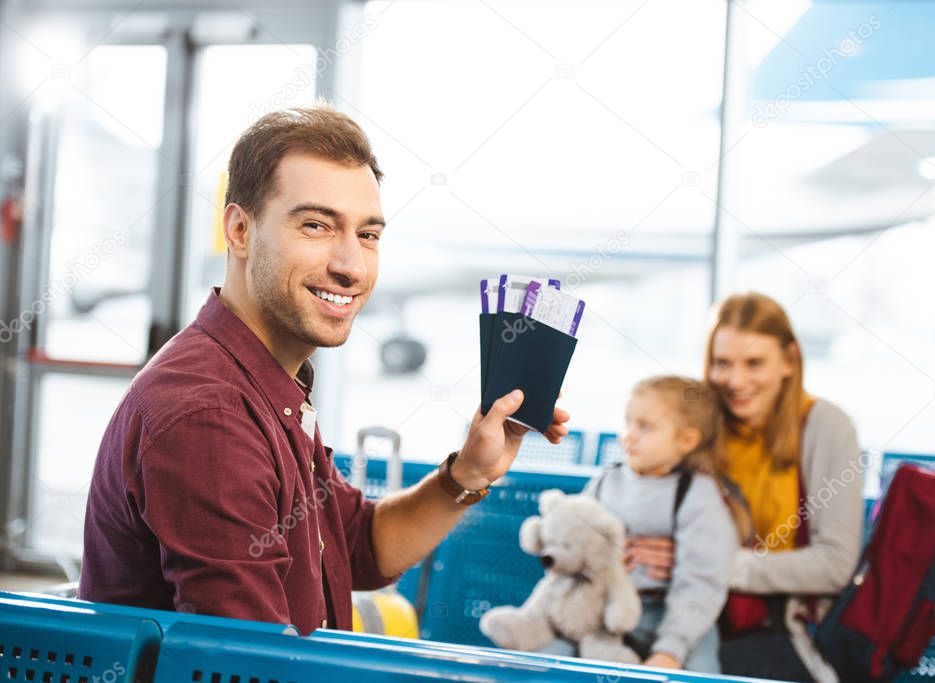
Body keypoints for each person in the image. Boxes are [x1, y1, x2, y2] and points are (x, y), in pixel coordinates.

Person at [78, 105, 570, 635]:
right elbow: (249, 665)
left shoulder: (264, 383)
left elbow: (358, 545)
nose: (351, 265)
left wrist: (468, 474)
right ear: (239, 231)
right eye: (316, 225)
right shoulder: (209, 414)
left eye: (368, 235)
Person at [627, 293, 863, 682]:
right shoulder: (697, 423)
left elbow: (834, 564)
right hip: (675, 613)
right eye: (723, 363)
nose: (736, 381)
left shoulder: (827, 428)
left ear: (789, 360)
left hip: (775, 628)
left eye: (754, 363)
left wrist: (703, 564)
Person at [544, 375, 739, 672]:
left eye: (645, 427)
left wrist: (671, 650)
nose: (629, 435)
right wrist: (597, 560)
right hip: (603, 612)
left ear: (686, 441)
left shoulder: (697, 496)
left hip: (672, 618)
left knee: (701, 669)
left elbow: (702, 582)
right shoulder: (608, 480)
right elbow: (570, 536)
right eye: (628, 423)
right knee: (548, 660)